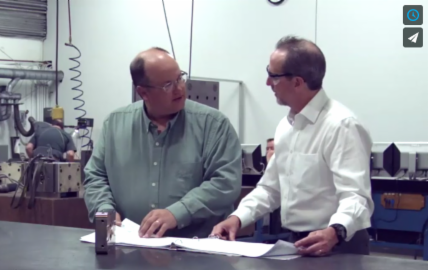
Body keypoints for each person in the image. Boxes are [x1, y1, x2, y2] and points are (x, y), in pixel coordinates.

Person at [211, 36, 373, 256]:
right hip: (298, 242)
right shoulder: (286, 127)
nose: (267, 83)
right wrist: (237, 218)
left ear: (297, 82)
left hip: (338, 244)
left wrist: (334, 232)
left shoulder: (341, 125)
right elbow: (270, 189)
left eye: (273, 76)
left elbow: (356, 197)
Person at [83, 47, 242, 238]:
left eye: (179, 78)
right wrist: (104, 208)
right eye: (168, 85)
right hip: (133, 249)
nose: (179, 88)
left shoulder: (214, 125)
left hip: (198, 249)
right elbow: (95, 176)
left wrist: (178, 212)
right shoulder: (115, 125)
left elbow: (225, 183)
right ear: (144, 93)